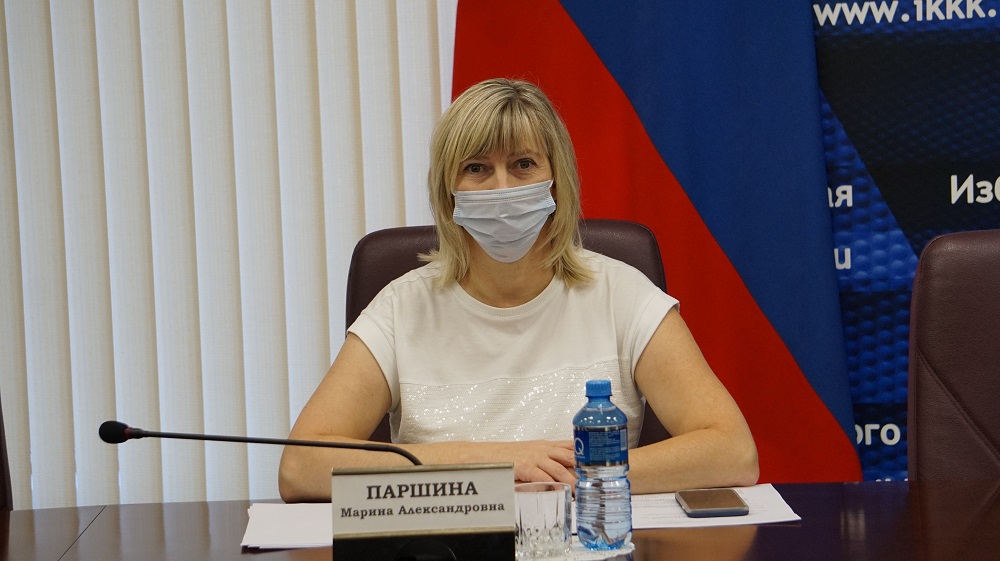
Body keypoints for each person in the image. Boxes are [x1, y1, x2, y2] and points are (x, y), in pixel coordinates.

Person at [278, 78, 758, 502]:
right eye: (476, 168)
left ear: (557, 182)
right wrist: (497, 462)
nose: (501, 188)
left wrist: (571, 474)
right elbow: (302, 467)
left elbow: (733, 451)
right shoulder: (401, 308)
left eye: (523, 164)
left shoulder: (622, 294)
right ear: (448, 192)